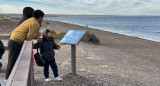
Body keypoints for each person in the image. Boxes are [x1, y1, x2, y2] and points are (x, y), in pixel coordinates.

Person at [1, 10, 44, 86]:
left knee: (12, 61)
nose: (42, 19)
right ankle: (7, 81)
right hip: (16, 42)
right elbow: (29, 36)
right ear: (40, 17)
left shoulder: (30, 20)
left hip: (13, 40)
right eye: (42, 17)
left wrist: (36, 34)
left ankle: (8, 80)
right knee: (12, 62)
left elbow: (28, 31)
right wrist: (37, 37)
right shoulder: (35, 23)